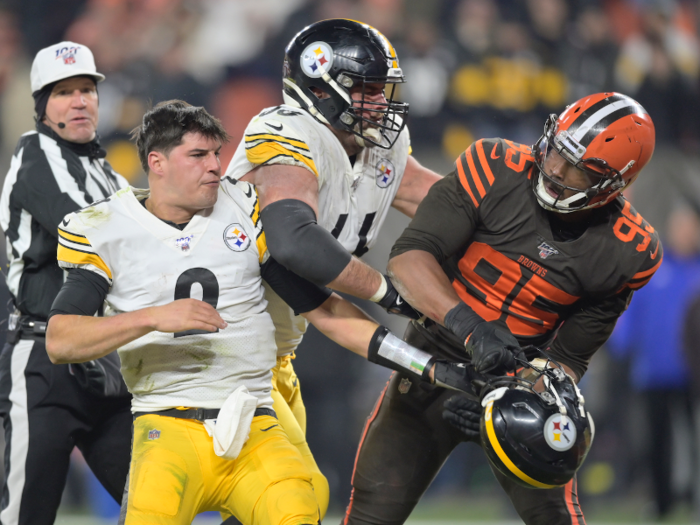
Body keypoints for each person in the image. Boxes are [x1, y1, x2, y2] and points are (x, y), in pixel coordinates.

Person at [44, 100, 470, 525]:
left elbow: (326, 311)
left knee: (302, 506)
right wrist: (152, 317)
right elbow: (61, 340)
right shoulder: (104, 229)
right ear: (157, 162)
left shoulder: (244, 208)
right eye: (197, 155)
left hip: (254, 418)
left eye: (216, 154)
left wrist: (426, 366)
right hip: (168, 425)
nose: (214, 167)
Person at [343, 92, 663, 525]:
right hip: (431, 361)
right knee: (370, 515)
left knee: (556, 518)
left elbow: (567, 360)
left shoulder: (628, 251)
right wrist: (473, 329)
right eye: (557, 151)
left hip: (522, 384)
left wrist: (505, 401)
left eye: (579, 169)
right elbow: (408, 259)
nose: (555, 170)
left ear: (614, 185)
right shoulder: (493, 165)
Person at [224, 18, 442, 515]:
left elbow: (442, 201)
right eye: (366, 90)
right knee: (294, 502)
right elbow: (294, 243)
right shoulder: (285, 132)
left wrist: (514, 207)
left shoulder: (377, 145)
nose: (380, 103)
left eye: (382, 89)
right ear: (321, 87)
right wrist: (388, 293)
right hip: (221, 356)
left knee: (275, 505)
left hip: (275, 354)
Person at [0, 41, 131, 525]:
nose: (79, 101)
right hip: (43, 363)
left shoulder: (105, 169)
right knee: (25, 516)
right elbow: (87, 230)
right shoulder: (36, 153)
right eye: (63, 92)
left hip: (105, 359)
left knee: (156, 504)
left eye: (86, 89)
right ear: (42, 106)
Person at [608, 206, 700, 519]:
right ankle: (663, 503)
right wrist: (620, 345)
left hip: (694, 374)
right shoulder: (654, 269)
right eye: (679, 227)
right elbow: (630, 313)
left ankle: (693, 498)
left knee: (694, 440)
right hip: (654, 372)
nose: (684, 233)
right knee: (657, 442)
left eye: (689, 227)